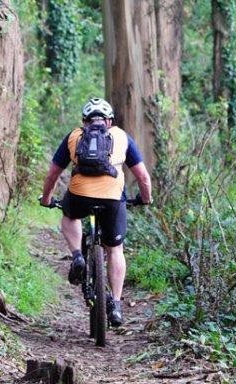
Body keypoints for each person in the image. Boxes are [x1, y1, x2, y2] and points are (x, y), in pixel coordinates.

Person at [39, 98, 153, 327]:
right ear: (109, 121)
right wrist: (146, 198)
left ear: (84, 121)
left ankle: (77, 256)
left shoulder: (74, 136)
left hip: (80, 195)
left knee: (70, 215)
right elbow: (143, 177)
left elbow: (52, 175)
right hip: (113, 199)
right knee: (115, 249)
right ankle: (117, 306)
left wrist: (47, 199)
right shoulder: (122, 136)